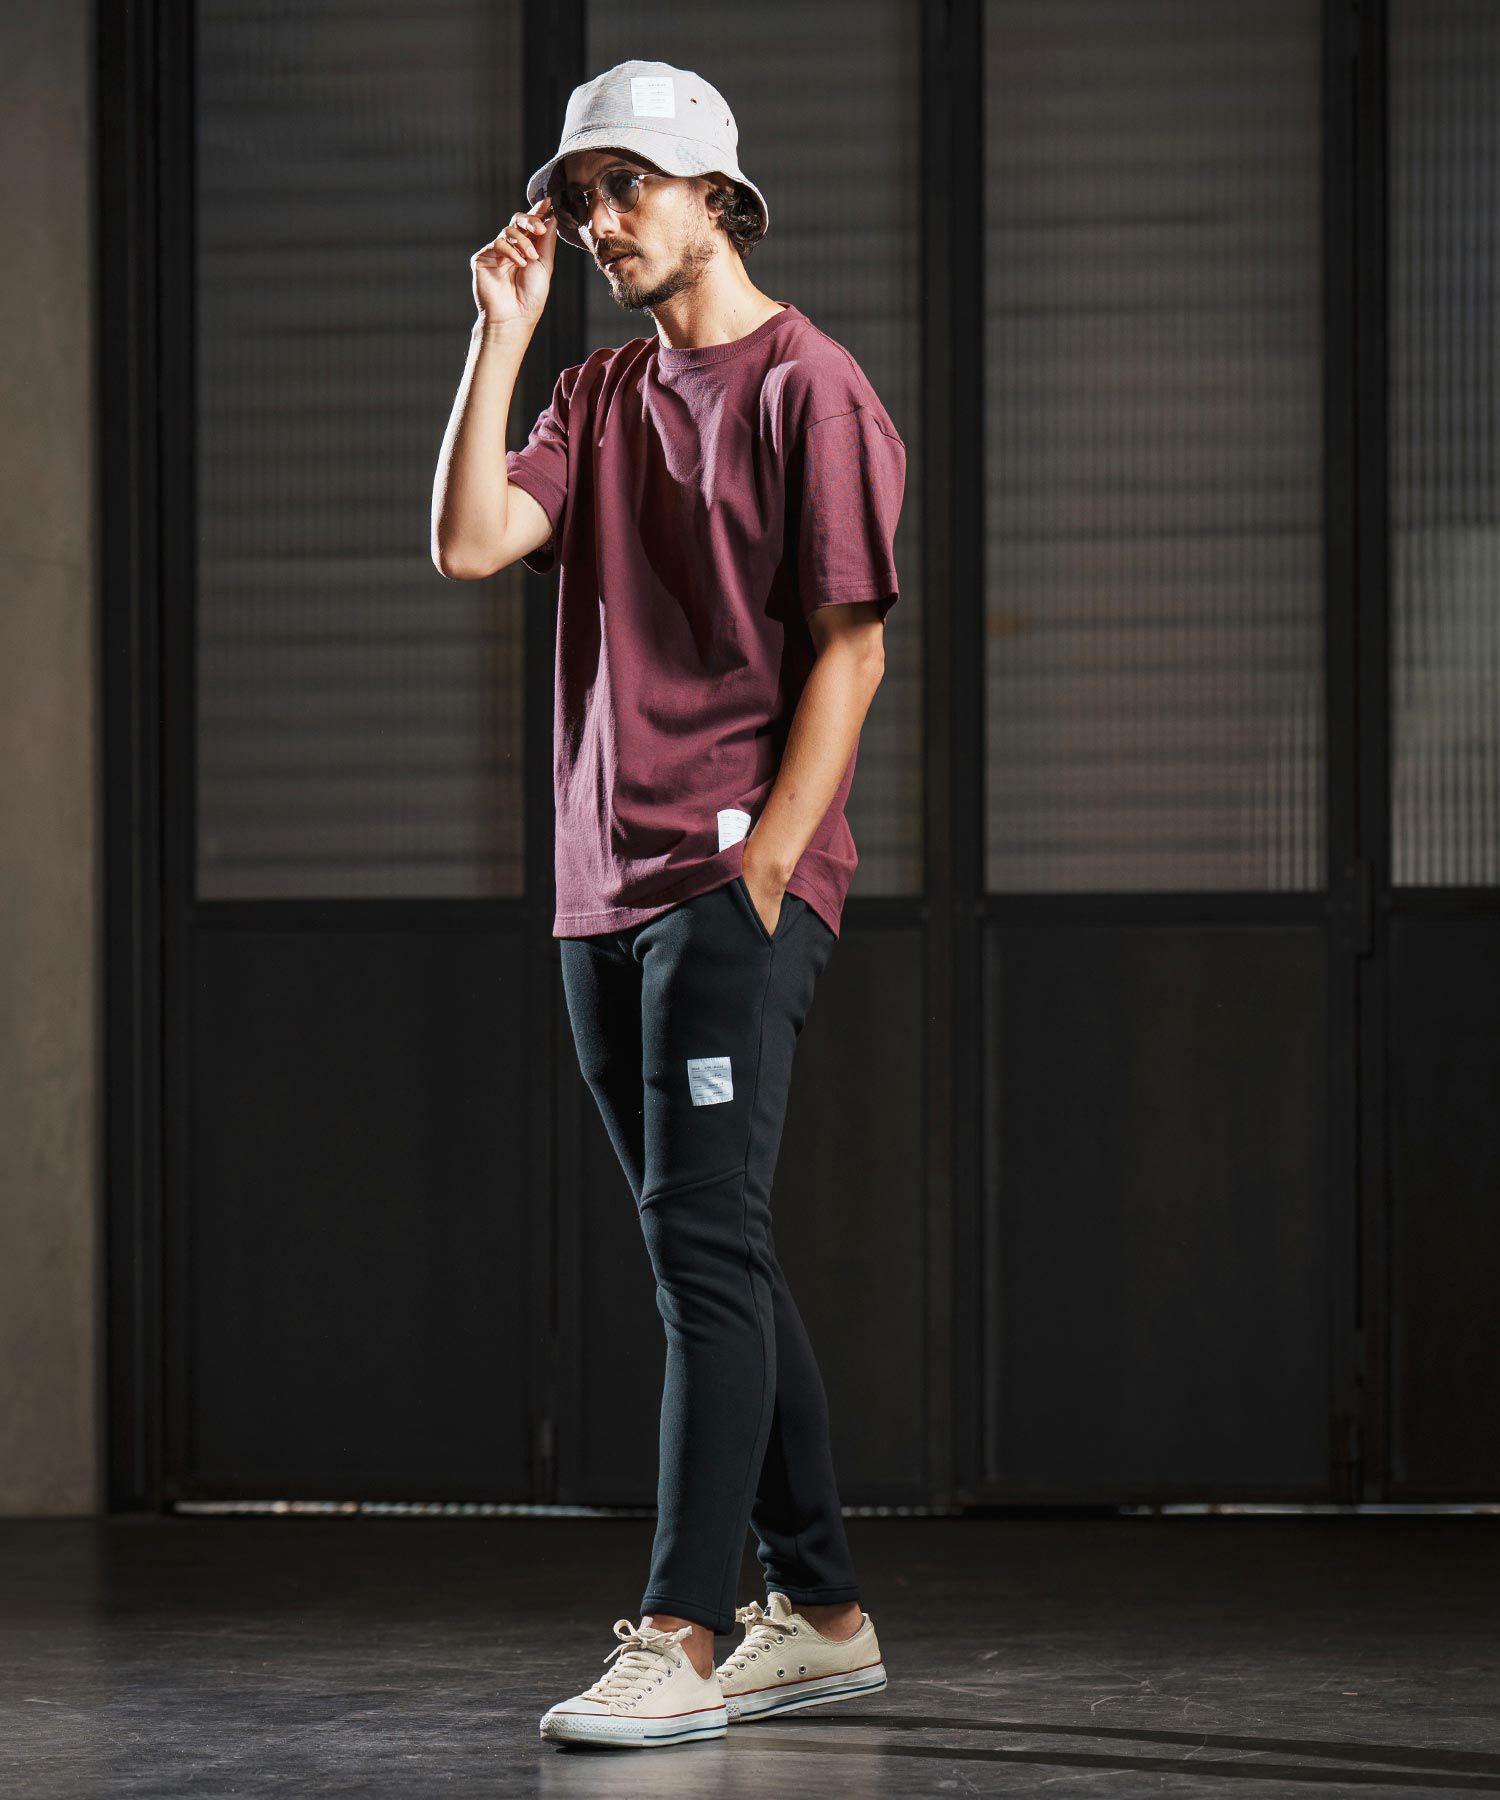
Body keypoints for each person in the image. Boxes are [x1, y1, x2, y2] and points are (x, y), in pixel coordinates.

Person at [431, 58, 904, 1752]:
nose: (599, 221)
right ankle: (825, 1613)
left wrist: (768, 861)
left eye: (627, 187)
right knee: (710, 1249)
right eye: (580, 198)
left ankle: (684, 1633)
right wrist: (500, 335)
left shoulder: (813, 390)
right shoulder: (597, 389)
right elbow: (471, 541)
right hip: (600, 888)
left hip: (727, 880)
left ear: (719, 196)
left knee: (703, 1252)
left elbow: (851, 648)